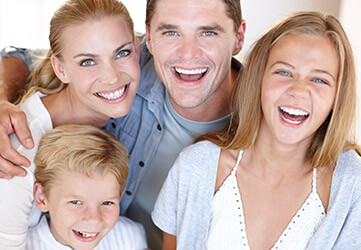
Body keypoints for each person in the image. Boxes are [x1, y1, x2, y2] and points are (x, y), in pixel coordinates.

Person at [0, 0, 246, 248]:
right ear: (148, 40)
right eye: (171, 32)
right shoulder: (18, 151)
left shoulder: (262, 122)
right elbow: (20, 56)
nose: (112, 77)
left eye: (208, 32)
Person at [152, 11, 361, 249]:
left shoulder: (356, 187)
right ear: (259, 78)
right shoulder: (196, 167)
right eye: (284, 72)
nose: (298, 91)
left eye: (319, 80)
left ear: (337, 96)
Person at [0, 0, 140, 248]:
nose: (113, 77)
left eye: (122, 53)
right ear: (60, 69)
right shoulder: (18, 153)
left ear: (137, 49)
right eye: (88, 61)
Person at [28, 124, 147, 249]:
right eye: (76, 202)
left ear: (120, 196)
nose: (94, 219)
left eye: (107, 203)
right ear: (42, 197)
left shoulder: (129, 238)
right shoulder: (22, 245)